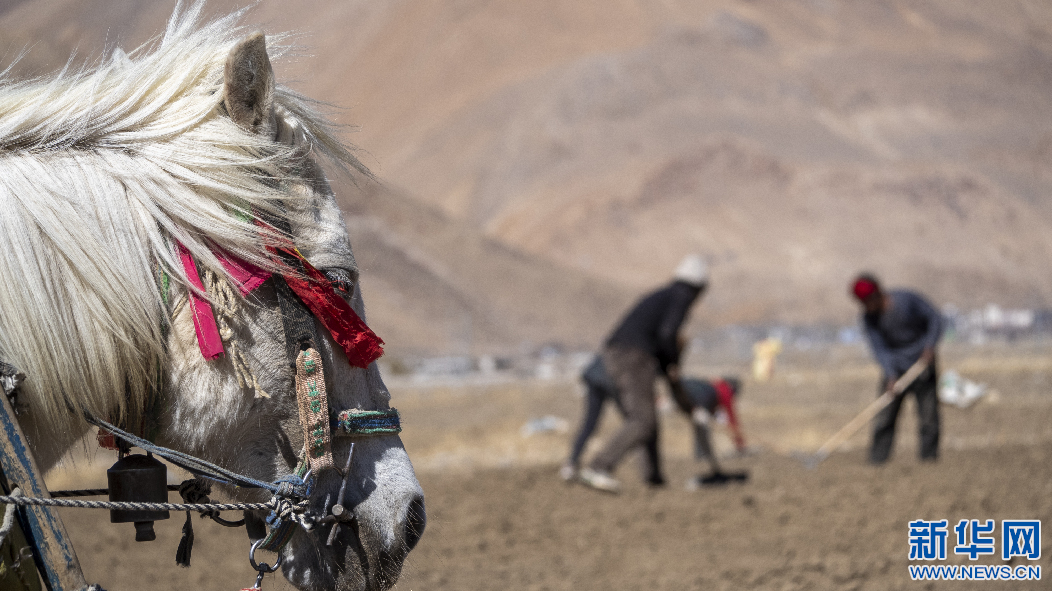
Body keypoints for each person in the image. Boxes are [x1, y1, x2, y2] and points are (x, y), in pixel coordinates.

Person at [576, 255, 708, 493]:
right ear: (699, 287)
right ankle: (599, 467)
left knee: (647, 418)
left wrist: (672, 372)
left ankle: (654, 478)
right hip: (634, 358)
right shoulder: (681, 297)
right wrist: (672, 362)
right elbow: (667, 334)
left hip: (619, 355)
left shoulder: (664, 294)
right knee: (642, 420)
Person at [851, 273, 943, 464]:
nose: (866, 307)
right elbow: (880, 349)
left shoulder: (906, 300)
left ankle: (929, 462)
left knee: (928, 417)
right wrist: (890, 375)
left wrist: (929, 346)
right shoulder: (869, 319)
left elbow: (934, 319)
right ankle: (877, 462)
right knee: (884, 418)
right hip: (895, 370)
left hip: (922, 365)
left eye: (868, 302)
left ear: (877, 294)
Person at [681, 376, 749, 488]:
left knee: (701, 429)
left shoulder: (716, 385)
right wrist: (739, 442)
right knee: (702, 430)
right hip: (698, 400)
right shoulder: (726, 391)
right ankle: (702, 457)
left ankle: (701, 455)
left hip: (693, 397)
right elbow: (731, 416)